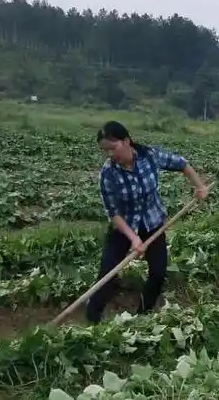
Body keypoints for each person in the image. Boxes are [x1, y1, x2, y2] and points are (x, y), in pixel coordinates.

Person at [86, 120, 209, 323]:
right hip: (124, 227)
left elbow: (182, 164)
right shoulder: (108, 173)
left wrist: (199, 186)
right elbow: (113, 213)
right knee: (107, 275)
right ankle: (92, 320)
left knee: (158, 273)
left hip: (153, 223)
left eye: (113, 148)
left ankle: (143, 315)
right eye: (105, 150)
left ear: (126, 141)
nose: (110, 154)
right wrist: (133, 238)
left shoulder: (149, 156)